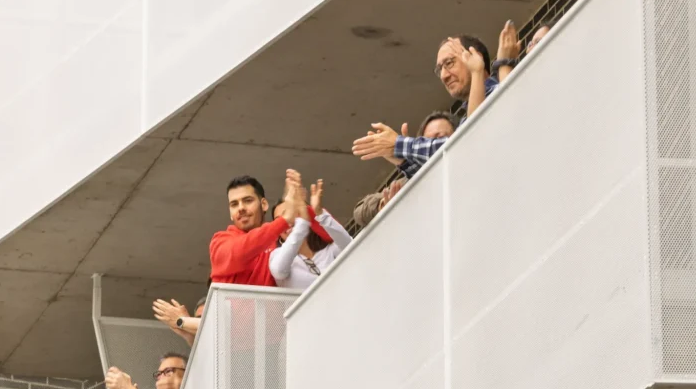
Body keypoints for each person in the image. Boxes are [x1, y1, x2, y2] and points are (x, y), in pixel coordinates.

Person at [352, 36, 497, 178]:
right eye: (440, 69)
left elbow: (462, 147)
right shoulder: (468, 114)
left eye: (450, 63)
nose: (444, 76)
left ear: (475, 58)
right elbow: (449, 171)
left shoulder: (501, 93)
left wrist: (399, 144)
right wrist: (401, 159)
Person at [209, 173, 333, 285]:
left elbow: (330, 239)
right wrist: (284, 219)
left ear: (263, 205)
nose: (241, 208)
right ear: (230, 213)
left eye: (248, 201)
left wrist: (305, 209)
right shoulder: (220, 241)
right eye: (234, 204)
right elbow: (238, 252)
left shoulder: (279, 241)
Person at [269, 175, 352, 290]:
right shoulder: (277, 255)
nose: (286, 221)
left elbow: (350, 246)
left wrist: (318, 212)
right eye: (279, 220)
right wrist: (302, 224)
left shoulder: (329, 250)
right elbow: (279, 271)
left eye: (290, 213)